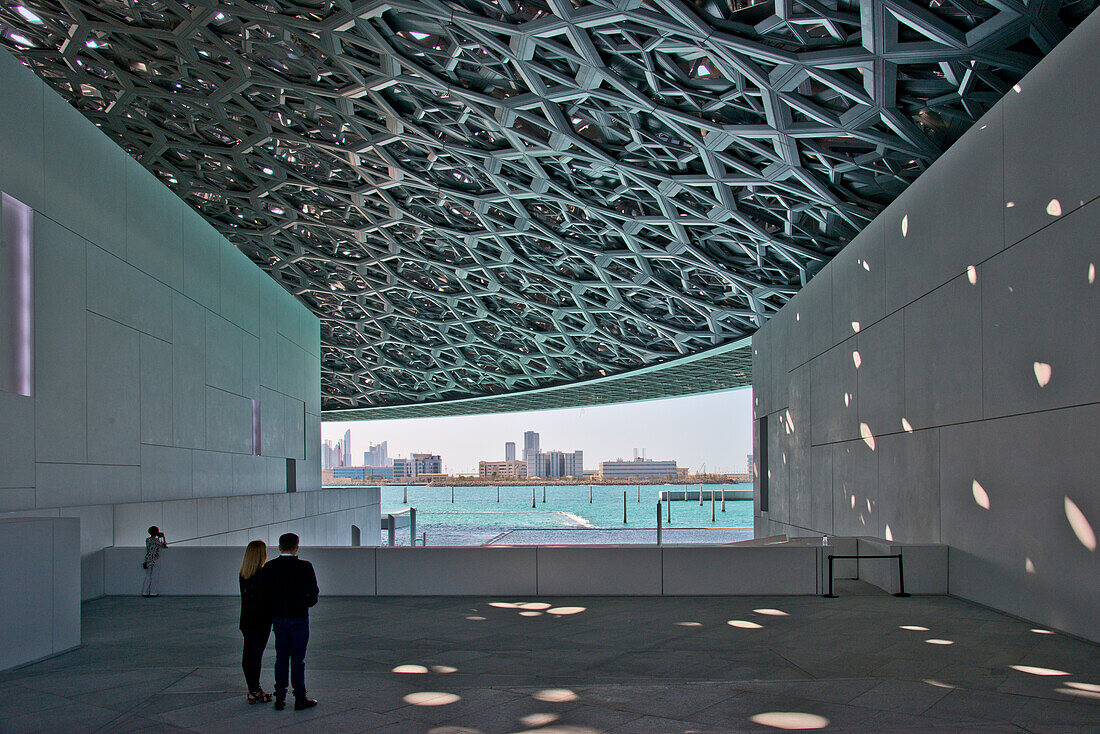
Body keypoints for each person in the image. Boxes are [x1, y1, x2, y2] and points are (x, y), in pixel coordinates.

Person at [261, 532, 318, 711]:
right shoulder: (305, 567)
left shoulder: (269, 567)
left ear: (279, 547)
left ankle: (280, 697)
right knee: (298, 659)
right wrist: (305, 603)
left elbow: (264, 594)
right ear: (296, 547)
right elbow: (313, 594)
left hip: (279, 618)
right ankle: (300, 697)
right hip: (299, 617)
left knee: (281, 657)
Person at [239, 540, 273, 704]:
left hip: (246, 620)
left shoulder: (243, 574)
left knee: (248, 653)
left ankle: (252, 688)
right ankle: (255, 690)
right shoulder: (263, 574)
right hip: (261, 621)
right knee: (256, 655)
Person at [142, 526, 168, 597]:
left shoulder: (147, 540)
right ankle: (153, 592)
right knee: (154, 576)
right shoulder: (156, 541)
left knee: (148, 576)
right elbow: (164, 546)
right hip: (155, 559)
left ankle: (145, 592)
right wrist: (163, 537)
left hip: (148, 559)